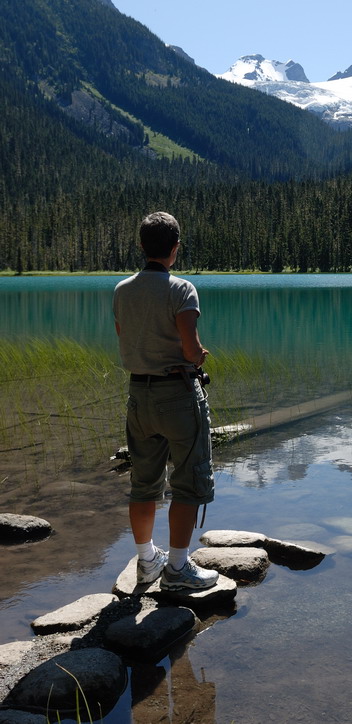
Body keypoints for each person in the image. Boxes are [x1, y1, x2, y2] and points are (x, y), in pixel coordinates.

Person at [113, 211, 218, 592]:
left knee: (143, 484)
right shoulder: (182, 289)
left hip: (138, 395)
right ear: (174, 249)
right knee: (188, 483)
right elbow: (189, 349)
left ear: (141, 247)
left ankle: (146, 561)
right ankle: (177, 568)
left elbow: (126, 336)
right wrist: (198, 355)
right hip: (177, 395)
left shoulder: (122, 290)